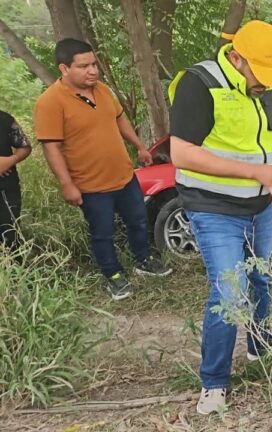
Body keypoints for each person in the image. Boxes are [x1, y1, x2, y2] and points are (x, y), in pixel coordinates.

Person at [168, 20, 272, 415]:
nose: (265, 84)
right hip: (212, 206)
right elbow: (181, 153)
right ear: (236, 58)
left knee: (260, 277)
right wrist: (254, 172)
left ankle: (260, 349)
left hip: (259, 204)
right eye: (259, 74)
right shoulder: (201, 83)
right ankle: (213, 383)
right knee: (229, 291)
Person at [34, 38, 171, 300]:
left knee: (138, 220)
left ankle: (143, 260)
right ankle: (114, 276)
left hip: (123, 175)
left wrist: (141, 147)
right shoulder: (50, 103)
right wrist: (67, 185)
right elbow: (51, 148)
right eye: (84, 66)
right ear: (64, 68)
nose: (93, 71)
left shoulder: (103, 90)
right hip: (91, 185)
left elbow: (119, 119)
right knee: (102, 232)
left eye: (94, 64)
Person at [0, 111, 32, 253]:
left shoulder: (4, 118)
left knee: (9, 237)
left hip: (6, 189)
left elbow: (24, 146)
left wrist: (10, 160)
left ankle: (12, 273)